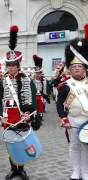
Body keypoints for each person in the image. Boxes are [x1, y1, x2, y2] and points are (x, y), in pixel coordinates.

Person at [0, 26, 37, 180]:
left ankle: (21, 169)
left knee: (23, 143)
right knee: (11, 144)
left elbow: (32, 98)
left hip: (22, 115)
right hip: (8, 115)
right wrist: (1, 116)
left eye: (14, 65)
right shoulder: (3, 82)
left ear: (18, 66)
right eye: (9, 65)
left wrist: (29, 114)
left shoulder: (27, 80)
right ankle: (13, 169)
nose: (11, 68)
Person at [57, 24, 88, 180]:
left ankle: (85, 172)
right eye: (74, 66)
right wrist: (63, 118)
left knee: (86, 147)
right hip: (73, 120)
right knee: (74, 146)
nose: (76, 69)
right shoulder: (66, 85)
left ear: (85, 69)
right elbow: (59, 103)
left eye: (79, 66)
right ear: (70, 69)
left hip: (87, 121)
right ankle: (76, 172)